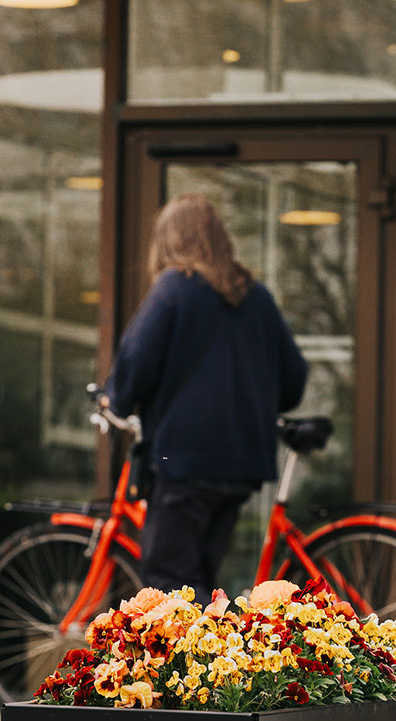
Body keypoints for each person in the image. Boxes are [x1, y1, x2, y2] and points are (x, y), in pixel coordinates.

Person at [105, 192, 308, 607]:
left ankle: (189, 670)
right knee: (198, 581)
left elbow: (135, 359)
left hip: (185, 460)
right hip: (240, 466)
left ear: (170, 240)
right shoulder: (256, 295)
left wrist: (117, 400)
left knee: (168, 582)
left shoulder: (174, 287)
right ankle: (218, 665)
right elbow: (294, 379)